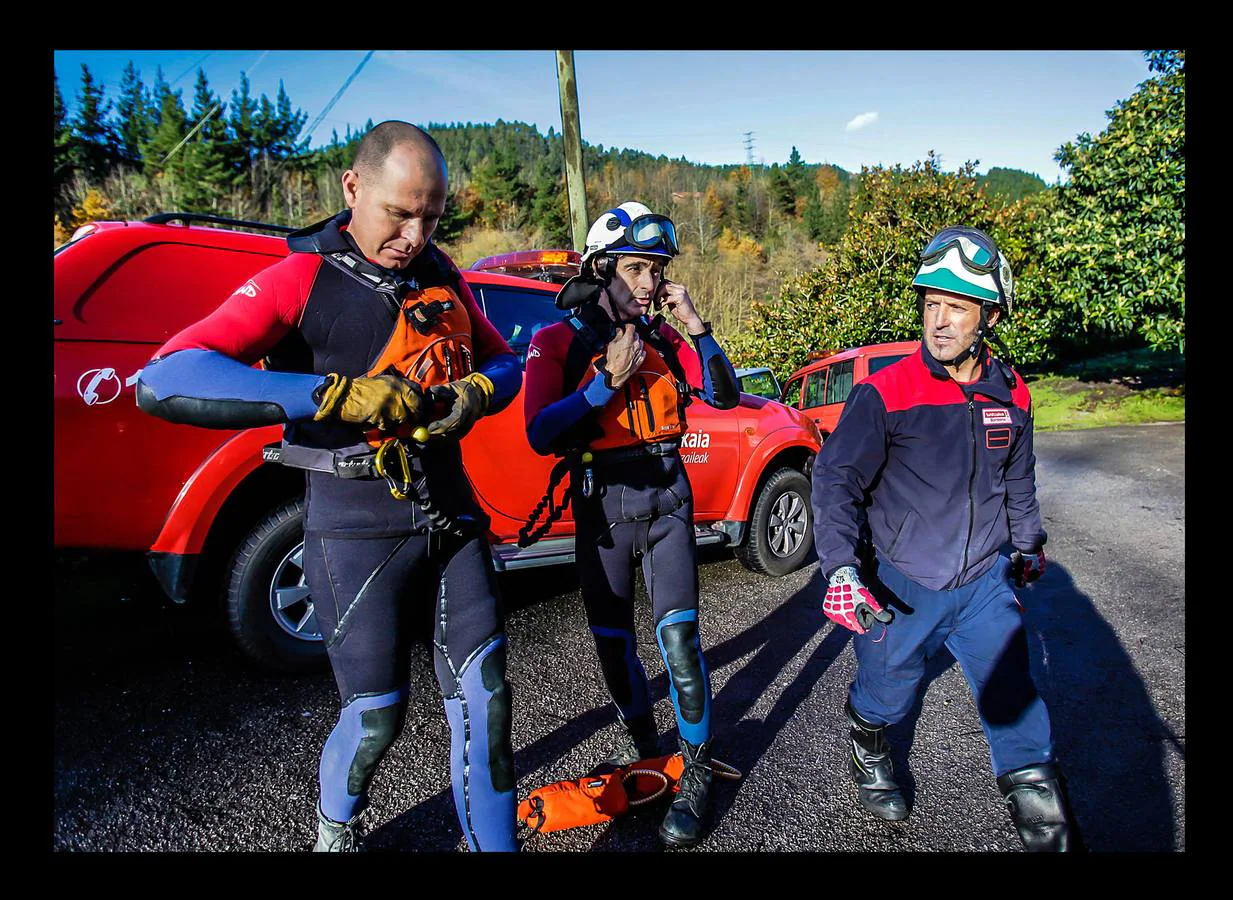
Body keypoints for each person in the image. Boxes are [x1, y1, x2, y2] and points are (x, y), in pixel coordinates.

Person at [136, 122, 522, 852]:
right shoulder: (299, 278)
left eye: (431, 217)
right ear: (353, 189)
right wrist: (334, 395)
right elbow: (166, 375)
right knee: (377, 717)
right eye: (398, 213)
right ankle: (335, 829)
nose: (414, 234)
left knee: (488, 702)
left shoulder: (444, 275)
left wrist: (475, 389)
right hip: (353, 528)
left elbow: (507, 363)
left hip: (452, 520)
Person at [810, 225, 1082, 852]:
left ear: (987, 314)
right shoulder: (886, 391)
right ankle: (869, 742)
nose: (939, 321)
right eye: (931, 304)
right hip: (899, 585)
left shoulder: (1012, 393)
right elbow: (835, 479)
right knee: (887, 694)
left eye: (955, 307)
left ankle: (1050, 828)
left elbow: (1018, 476)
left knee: (1016, 701)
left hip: (985, 582)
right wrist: (842, 570)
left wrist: (1029, 542)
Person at [521, 202, 740, 848]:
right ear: (601, 268)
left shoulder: (667, 339)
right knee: (613, 644)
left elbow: (726, 396)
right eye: (637, 268)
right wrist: (602, 385)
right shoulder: (556, 341)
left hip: (669, 500)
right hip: (604, 508)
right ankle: (647, 751)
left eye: (657, 269)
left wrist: (698, 329)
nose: (650, 283)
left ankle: (695, 768)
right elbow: (538, 433)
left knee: (679, 643)